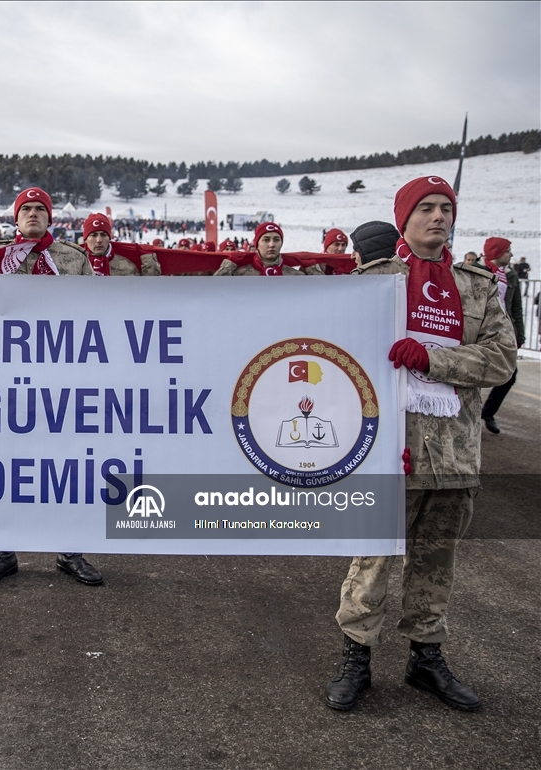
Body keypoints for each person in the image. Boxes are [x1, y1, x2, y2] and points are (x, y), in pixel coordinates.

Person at [324, 177, 516, 712]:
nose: (439, 217)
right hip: (391, 449)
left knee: (437, 560)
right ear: (404, 217)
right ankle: (356, 657)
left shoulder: (477, 286)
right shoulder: (377, 280)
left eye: (446, 208)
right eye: (426, 208)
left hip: (455, 451)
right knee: (375, 558)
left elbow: (502, 359)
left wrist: (436, 359)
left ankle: (425, 659)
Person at [0, 187, 99, 587]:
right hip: (3, 381)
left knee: (66, 465)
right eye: (25, 209)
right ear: (15, 218)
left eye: (39, 209)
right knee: (3, 465)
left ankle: (69, 551)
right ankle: (3, 551)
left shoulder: (72, 259)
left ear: (50, 217)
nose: (32, 214)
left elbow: (102, 312)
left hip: (62, 379)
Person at [479, 237, 525, 433]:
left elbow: (516, 308)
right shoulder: (476, 270)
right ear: (497, 252)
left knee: (509, 376)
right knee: (473, 373)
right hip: (479, 331)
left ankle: (488, 413)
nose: (511, 255)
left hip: (504, 331)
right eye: (507, 251)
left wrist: (519, 335)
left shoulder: (511, 275)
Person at [83, 213, 160, 276]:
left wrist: (149, 262)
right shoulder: (75, 264)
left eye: (103, 235)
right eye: (93, 235)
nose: (99, 240)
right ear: (85, 239)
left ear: (109, 237)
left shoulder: (126, 267)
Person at [213, 222, 302, 276]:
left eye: (276, 240)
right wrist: (226, 268)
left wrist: (314, 272)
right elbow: (215, 292)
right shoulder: (240, 274)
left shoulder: (294, 275)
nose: (272, 244)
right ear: (257, 244)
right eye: (266, 240)